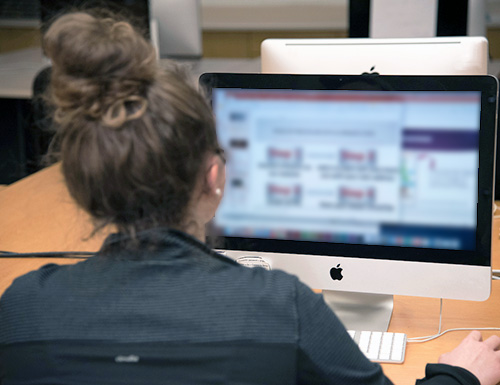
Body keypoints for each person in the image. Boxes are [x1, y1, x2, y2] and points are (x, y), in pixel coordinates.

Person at [1, 11, 500, 385]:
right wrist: (460, 375)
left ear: (82, 188)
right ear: (215, 177)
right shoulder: (282, 310)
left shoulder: (20, 310)